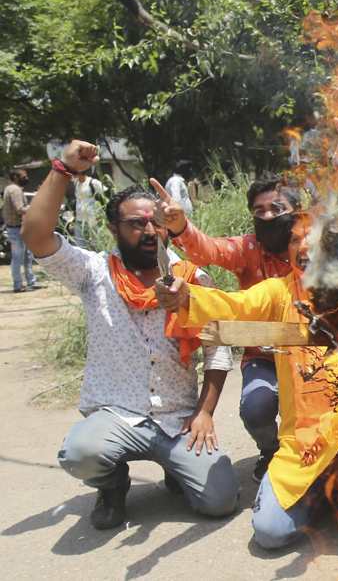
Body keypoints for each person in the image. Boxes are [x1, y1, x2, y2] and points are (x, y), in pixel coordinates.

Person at [20, 141, 239, 530]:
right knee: (80, 453)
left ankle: (176, 469)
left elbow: (217, 351)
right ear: (113, 228)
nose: (149, 231)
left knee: (220, 501)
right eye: (136, 224)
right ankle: (112, 484)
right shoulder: (93, 271)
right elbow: (36, 237)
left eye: (156, 221)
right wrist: (61, 170)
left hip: (177, 418)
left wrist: (204, 412)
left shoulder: (192, 277)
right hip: (116, 414)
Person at [156, 219, 338, 550]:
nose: (302, 247)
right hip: (304, 441)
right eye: (294, 240)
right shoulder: (279, 292)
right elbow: (234, 306)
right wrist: (186, 296)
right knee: (270, 533)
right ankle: (322, 493)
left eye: (313, 237)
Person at [155, 173, 301, 483]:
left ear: (297, 211)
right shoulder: (248, 249)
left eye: (277, 207)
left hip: (311, 355)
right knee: (255, 407)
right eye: (259, 210)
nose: (268, 215)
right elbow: (208, 250)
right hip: (263, 355)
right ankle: (271, 450)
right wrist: (180, 227)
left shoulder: (309, 248)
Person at [3, 168, 39, 293]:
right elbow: (20, 209)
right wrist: (36, 207)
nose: (26, 178)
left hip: (17, 228)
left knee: (26, 256)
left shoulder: (9, 188)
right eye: (23, 176)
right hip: (17, 228)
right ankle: (18, 285)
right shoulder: (15, 190)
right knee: (19, 257)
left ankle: (30, 281)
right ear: (16, 177)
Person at [73, 170, 106, 249]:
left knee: (96, 242)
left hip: (92, 218)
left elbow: (105, 195)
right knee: (79, 243)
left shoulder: (93, 182)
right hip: (79, 218)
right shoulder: (76, 183)